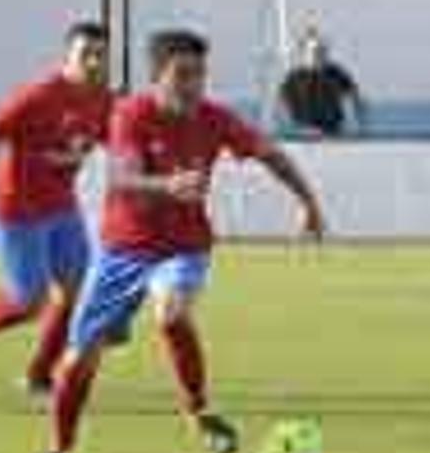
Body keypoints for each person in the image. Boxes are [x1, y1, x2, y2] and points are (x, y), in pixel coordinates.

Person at [45, 29, 326, 453]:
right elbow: (122, 178)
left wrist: (308, 203)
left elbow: (269, 153)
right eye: (183, 74)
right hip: (122, 250)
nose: (194, 85)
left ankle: (199, 410)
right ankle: (62, 448)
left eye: (200, 74)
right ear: (158, 75)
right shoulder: (131, 114)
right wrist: (167, 184)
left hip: (182, 247)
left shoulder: (213, 117)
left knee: (172, 313)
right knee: (77, 362)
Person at [0, 21, 114, 396]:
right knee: (29, 302)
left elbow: (117, 142)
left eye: (100, 55)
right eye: (85, 53)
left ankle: (39, 375)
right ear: (67, 56)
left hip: (61, 207)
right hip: (15, 208)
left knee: (77, 289)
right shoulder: (38, 95)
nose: (93, 62)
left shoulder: (103, 100)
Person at [278, 29, 365, 138]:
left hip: (333, 129)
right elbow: (282, 104)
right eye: (312, 51)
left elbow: (354, 97)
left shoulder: (336, 73)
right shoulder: (294, 77)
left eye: (320, 50)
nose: (316, 54)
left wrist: (358, 124)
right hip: (302, 130)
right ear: (303, 51)